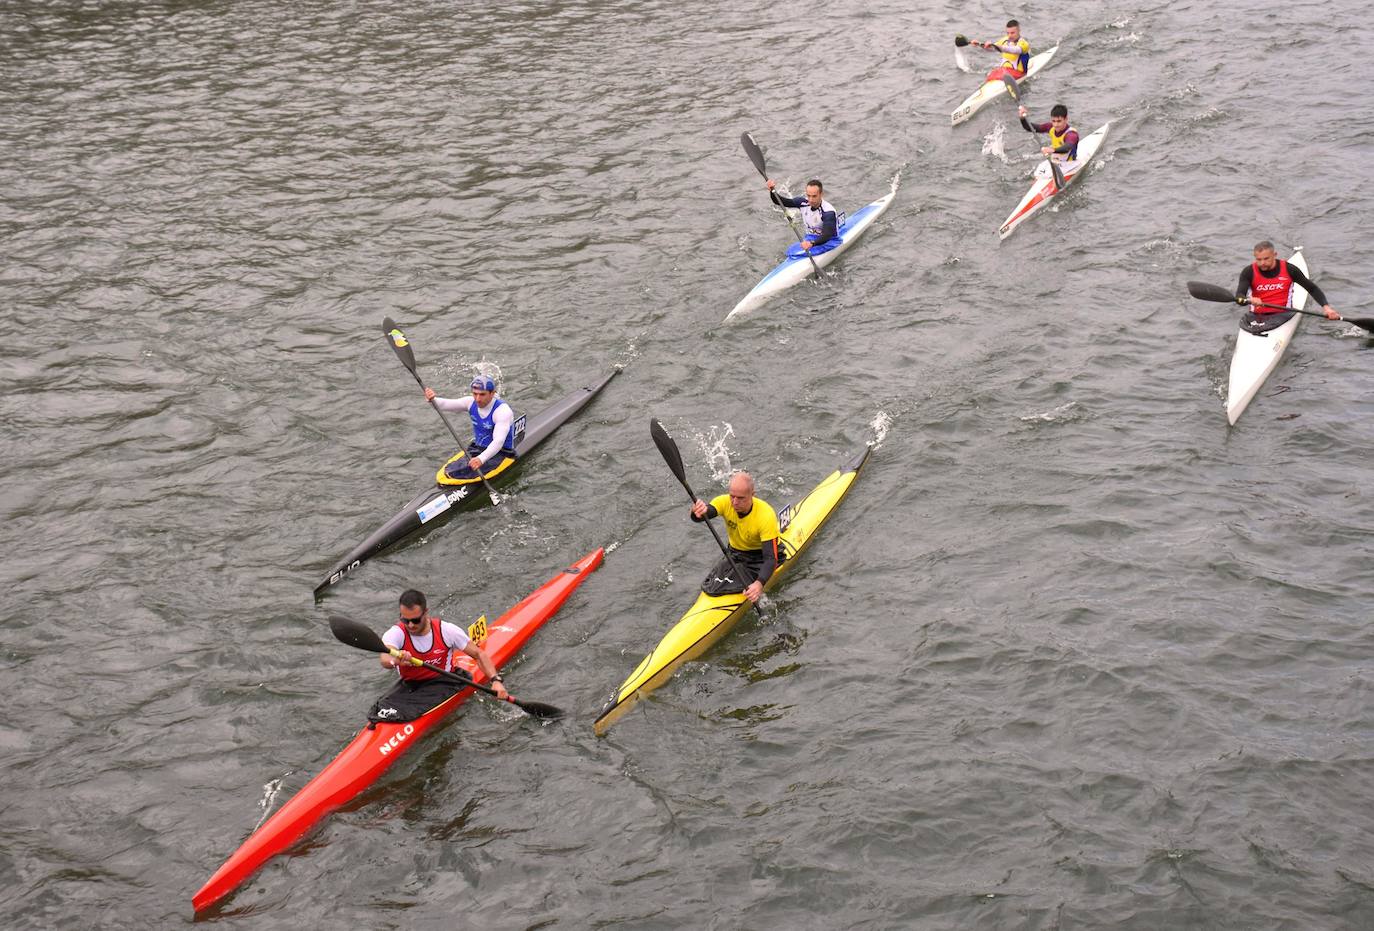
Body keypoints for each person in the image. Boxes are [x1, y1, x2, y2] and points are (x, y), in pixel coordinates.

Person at [381, 589, 510, 701]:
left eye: (415, 620)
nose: (410, 625)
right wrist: (396, 660)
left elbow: (479, 654)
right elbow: (385, 658)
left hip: (444, 682)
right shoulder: (397, 633)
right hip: (411, 686)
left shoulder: (447, 631)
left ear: (426, 613)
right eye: (405, 620)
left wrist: (496, 680)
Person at [690, 471, 784, 604]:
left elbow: (770, 559)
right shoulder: (724, 502)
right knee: (713, 585)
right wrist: (697, 512)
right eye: (732, 496)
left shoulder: (766, 515)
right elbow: (705, 514)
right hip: (736, 554)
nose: (735, 502)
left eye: (740, 498)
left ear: (752, 495)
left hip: (760, 556)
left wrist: (759, 584)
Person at [423, 374, 517, 479]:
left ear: (492, 393)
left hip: (501, 453)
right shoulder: (470, 402)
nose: (477, 399)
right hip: (478, 448)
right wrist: (432, 399)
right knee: (450, 471)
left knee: (460, 473)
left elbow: (498, 442)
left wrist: (481, 459)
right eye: (475, 394)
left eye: (482, 394)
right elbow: (444, 404)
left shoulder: (502, 411)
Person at [1237, 241, 1339, 332]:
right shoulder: (1249, 272)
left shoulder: (1290, 269)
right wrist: (1249, 299)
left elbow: (1312, 288)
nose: (1262, 263)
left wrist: (1327, 308)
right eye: (1258, 259)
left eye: (1266, 259)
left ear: (1275, 255)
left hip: (1283, 314)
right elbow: (1239, 297)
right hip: (1256, 316)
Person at [764, 178, 844, 255]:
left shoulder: (828, 212)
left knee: (798, 252)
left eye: (814, 196)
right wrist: (772, 190)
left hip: (830, 241)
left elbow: (827, 235)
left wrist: (812, 244)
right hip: (811, 238)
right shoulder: (803, 203)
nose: (811, 200)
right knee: (790, 251)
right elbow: (780, 201)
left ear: (821, 194)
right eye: (808, 196)